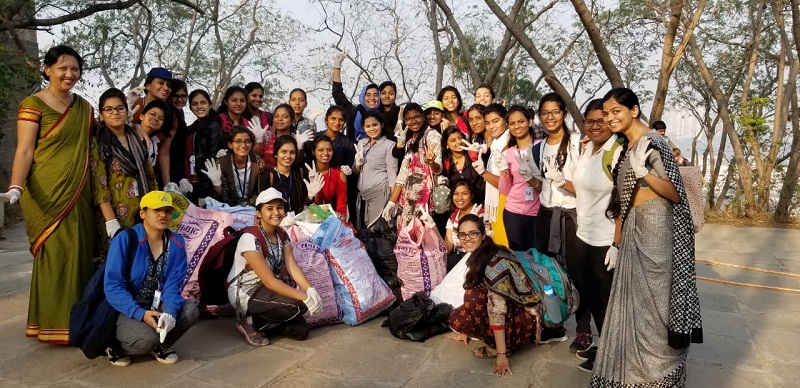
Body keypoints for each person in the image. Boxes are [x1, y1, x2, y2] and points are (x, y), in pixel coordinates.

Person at [591, 88, 702, 387]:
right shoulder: (627, 146)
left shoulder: (653, 142)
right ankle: (631, 375)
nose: (610, 117)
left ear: (634, 110)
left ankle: (659, 377)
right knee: (634, 306)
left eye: (617, 111)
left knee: (655, 306)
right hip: (634, 230)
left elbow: (675, 192)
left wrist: (645, 174)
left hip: (658, 230)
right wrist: (616, 242)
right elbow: (621, 200)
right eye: (607, 113)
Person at [0, 45, 97, 344]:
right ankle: (51, 324)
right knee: (54, 257)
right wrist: (16, 186)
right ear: (47, 69)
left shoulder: (84, 107)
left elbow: (93, 147)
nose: (69, 74)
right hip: (45, 191)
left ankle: (78, 323)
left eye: (75, 69)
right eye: (62, 68)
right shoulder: (33, 104)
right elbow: (25, 149)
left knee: (80, 255)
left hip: (79, 191)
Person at [104, 191, 199, 366]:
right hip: (124, 308)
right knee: (145, 339)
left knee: (189, 311)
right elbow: (113, 286)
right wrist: (140, 314)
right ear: (143, 213)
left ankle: (160, 343)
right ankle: (115, 347)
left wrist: (170, 311)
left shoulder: (176, 243)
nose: (163, 215)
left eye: (167, 211)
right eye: (157, 210)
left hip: (155, 304)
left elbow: (172, 284)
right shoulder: (125, 239)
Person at [227, 188, 323, 346]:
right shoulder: (250, 238)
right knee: (299, 305)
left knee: (300, 331)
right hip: (246, 291)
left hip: (266, 289)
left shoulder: (281, 234)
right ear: (258, 213)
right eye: (269, 209)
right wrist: (305, 297)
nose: (276, 212)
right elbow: (270, 281)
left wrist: (310, 289)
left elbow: (292, 266)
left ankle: (270, 323)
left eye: (279, 207)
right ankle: (249, 320)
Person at [448, 214, 539, 377]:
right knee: (456, 319)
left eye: (473, 233)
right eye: (463, 235)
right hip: (511, 307)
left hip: (525, 317)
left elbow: (497, 309)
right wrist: (467, 329)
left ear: (483, 235)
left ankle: (500, 346)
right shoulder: (482, 254)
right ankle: (493, 337)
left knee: (472, 297)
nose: (467, 239)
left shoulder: (494, 265)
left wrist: (501, 355)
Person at [570, 99, 623, 372]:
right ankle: (605, 346)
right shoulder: (588, 148)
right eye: (589, 121)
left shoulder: (617, 151)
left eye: (600, 120)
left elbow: (625, 199)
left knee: (607, 298)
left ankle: (613, 355)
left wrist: (617, 242)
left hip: (605, 239)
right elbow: (581, 188)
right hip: (584, 234)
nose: (595, 125)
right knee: (590, 294)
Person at [530, 92, 586, 348]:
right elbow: (542, 187)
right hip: (546, 215)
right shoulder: (539, 147)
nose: (550, 117)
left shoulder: (577, 143)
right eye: (545, 113)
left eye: (555, 112)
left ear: (564, 113)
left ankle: (583, 330)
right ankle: (555, 324)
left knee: (577, 272)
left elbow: (586, 188)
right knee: (548, 273)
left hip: (571, 217)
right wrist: (528, 176)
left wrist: (563, 182)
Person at [90, 88, 159, 258]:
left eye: (120, 108)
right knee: (119, 264)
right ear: (101, 114)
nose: (115, 113)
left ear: (127, 112)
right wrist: (111, 222)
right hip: (116, 216)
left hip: (143, 213)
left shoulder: (137, 138)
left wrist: (154, 209)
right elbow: (99, 185)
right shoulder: (99, 143)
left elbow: (150, 177)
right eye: (109, 109)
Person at [383, 103, 442, 225]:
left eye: (417, 117)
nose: (413, 121)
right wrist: (392, 202)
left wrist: (431, 162)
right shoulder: (410, 142)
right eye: (409, 118)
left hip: (425, 197)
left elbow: (438, 169)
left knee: (422, 236)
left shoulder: (432, 135)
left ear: (423, 117)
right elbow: (403, 174)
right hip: (407, 198)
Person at [497, 106, 540, 251]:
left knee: (537, 257)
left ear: (530, 121)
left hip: (537, 213)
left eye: (521, 121)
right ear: (508, 126)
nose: (517, 126)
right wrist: (504, 174)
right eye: (512, 123)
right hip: (512, 213)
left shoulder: (541, 146)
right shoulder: (508, 153)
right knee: (518, 257)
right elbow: (505, 190)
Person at [469, 103, 509, 247]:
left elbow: (505, 184)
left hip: (506, 203)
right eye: (487, 123)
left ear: (505, 120)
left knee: (505, 246)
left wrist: (483, 173)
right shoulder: (496, 144)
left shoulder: (508, 144)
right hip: (497, 203)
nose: (491, 126)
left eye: (495, 121)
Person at [203, 126, 273, 207]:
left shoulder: (258, 163)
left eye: (247, 141)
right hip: (229, 207)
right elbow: (222, 196)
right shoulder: (221, 163)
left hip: (252, 207)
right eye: (238, 141)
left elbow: (259, 191)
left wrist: (249, 206)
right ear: (230, 145)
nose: (243, 145)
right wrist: (217, 184)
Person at [354, 111, 398, 228]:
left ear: (381, 125)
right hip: (363, 195)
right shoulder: (361, 143)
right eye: (368, 126)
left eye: (375, 125)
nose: (372, 129)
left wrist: (393, 200)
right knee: (364, 229)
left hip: (380, 192)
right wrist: (358, 164)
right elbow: (356, 171)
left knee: (376, 229)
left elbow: (392, 171)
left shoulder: (390, 145)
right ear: (363, 127)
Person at [331, 50, 381, 142]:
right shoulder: (354, 112)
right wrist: (337, 67)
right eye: (368, 95)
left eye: (375, 95)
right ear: (362, 97)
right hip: (354, 154)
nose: (372, 98)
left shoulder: (383, 114)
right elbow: (337, 94)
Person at [185, 89, 225, 202]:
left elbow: (210, 160)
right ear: (190, 107)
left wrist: (203, 193)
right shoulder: (192, 128)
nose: (199, 106)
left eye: (203, 102)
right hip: (192, 182)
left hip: (206, 186)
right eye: (195, 104)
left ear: (210, 105)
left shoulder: (213, 126)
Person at [443, 180, 490, 255]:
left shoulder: (480, 214)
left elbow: (486, 245)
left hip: (478, 257)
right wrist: (432, 226)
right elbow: (447, 249)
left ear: (472, 196)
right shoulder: (453, 217)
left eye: (464, 194)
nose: (460, 198)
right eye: (456, 194)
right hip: (460, 259)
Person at [306, 135, 348, 219]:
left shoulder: (338, 173)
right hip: (308, 216)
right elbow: (309, 203)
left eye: (329, 150)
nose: (325, 153)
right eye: (320, 150)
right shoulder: (307, 172)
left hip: (330, 216)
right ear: (313, 152)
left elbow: (341, 202)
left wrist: (342, 220)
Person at [441, 126, 484, 204]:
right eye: (453, 140)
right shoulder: (446, 163)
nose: (458, 142)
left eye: (460, 138)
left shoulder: (473, 155)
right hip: (458, 204)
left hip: (478, 201)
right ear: (447, 145)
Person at [270, 135, 311, 215]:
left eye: (292, 152)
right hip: (276, 222)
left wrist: (311, 195)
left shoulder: (300, 173)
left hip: (298, 221)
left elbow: (304, 204)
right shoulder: (268, 175)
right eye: (284, 152)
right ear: (276, 154)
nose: (288, 156)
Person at [162, 79, 190, 191]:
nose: (180, 100)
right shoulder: (169, 113)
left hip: (179, 166)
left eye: (183, 96)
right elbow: (167, 150)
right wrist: (170, 182)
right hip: (169, 170)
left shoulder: (179, 113)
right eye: (175, 96)